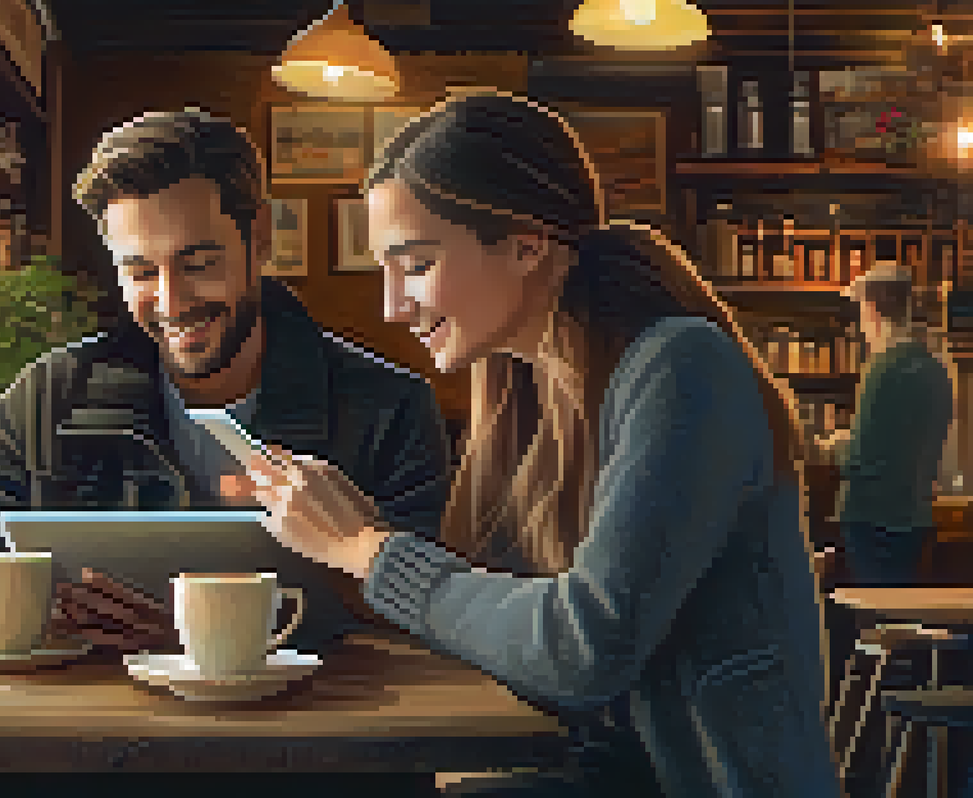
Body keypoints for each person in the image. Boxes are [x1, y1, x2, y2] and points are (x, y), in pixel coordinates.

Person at [222, 89, 841, 797]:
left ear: (525, 245)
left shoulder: (679, 367)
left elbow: (582, 650)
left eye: (416, 263)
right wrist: (351, 550)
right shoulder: (526, 390)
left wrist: (369, 548)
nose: (393, 306)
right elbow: (499, 624)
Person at [0, 109, 452, 797]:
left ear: (258, 238)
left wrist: (217, 636)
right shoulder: (53, 395)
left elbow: (426, 619)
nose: (170, 302)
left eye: (197, 264)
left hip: (292, 754)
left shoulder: (385, 407)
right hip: (82, 749)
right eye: (140, 271)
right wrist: (15, 609)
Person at [817, 263, 954, 585]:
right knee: (900, 609)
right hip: (914, 516)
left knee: (875, 616)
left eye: (862, 311)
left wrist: (836, 445)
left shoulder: (881, 368)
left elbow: (861, 460)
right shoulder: (935, 368)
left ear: (874, 310)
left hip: (872, 520)